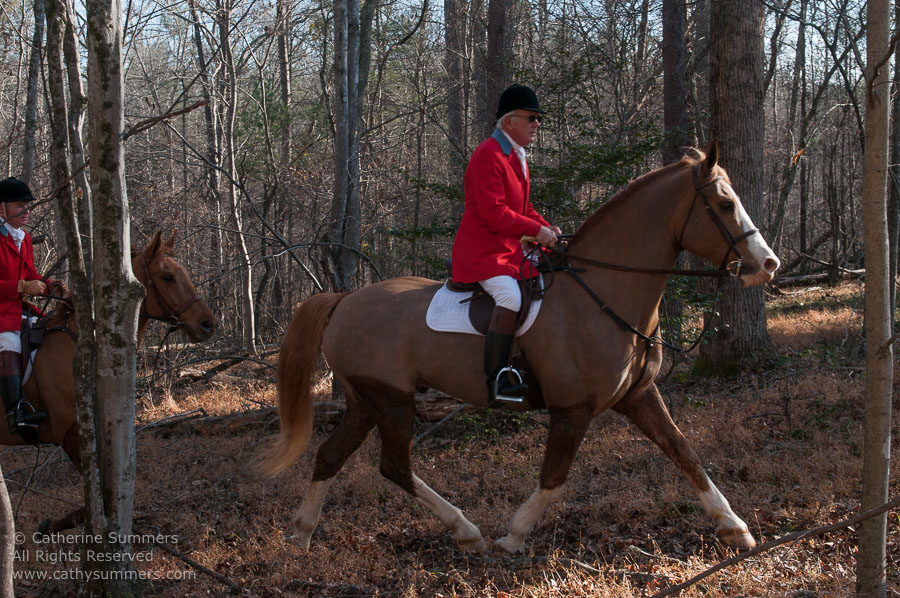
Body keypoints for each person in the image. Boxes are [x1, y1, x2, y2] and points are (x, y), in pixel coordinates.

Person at [450, 84, 561, 404]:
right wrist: (536, 232)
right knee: (510, 297)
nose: (537, 123)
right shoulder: (488, 154)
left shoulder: (517, 155)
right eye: (532, 118)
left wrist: (545, 227)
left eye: (538, 119)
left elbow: (522, 209)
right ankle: (497, 379)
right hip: (483, 252)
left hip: (510, 249)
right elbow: (494, 214)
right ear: (509, 120)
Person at [0, 177, 51, 435]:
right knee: (9, 341)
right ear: (2, 208)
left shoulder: (25, 238)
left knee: (46, 331)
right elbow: (22, 283)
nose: (26, 211)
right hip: (1, 314)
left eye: (27, 206)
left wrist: (52, 286)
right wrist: (21, 287)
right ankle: (15, 411)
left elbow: (31, 274)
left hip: (17, 309)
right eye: (19, 206)